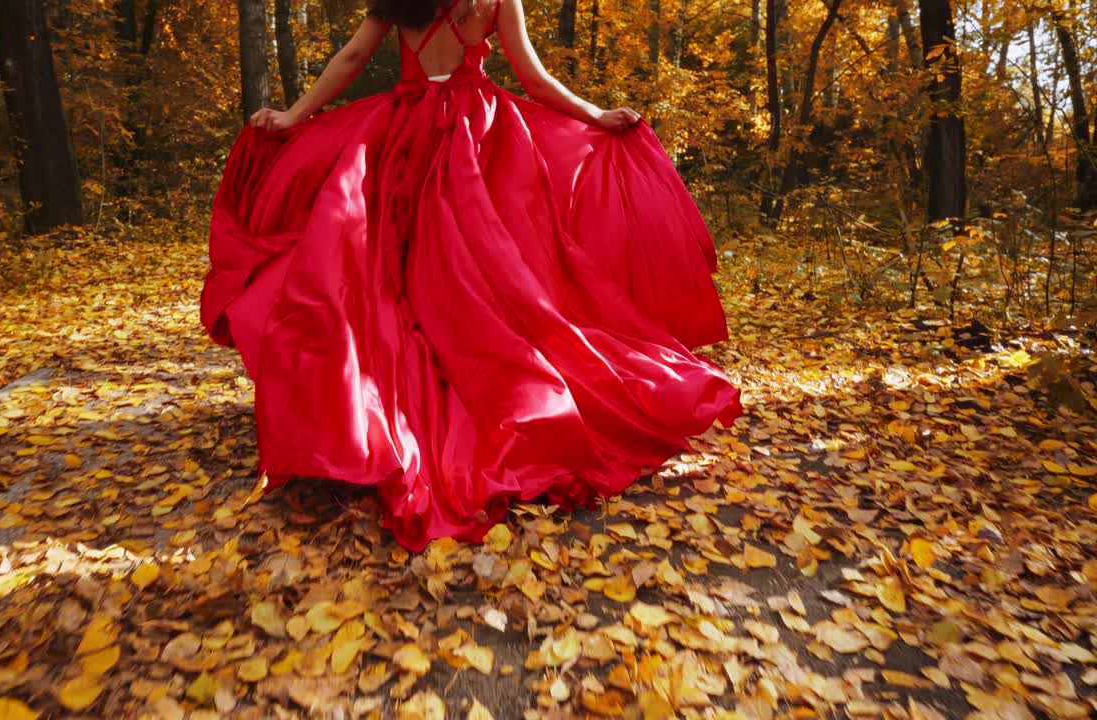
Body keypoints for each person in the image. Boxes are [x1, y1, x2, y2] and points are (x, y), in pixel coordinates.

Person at [200, 0, 742, 551]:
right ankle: (482, 389)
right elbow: (534, 78)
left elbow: (352, 58)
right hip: (477, 136)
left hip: (404, 136)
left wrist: (295, 115)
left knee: (391, 272)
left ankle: (384, 405)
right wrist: (595, 115)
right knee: (489, 274)